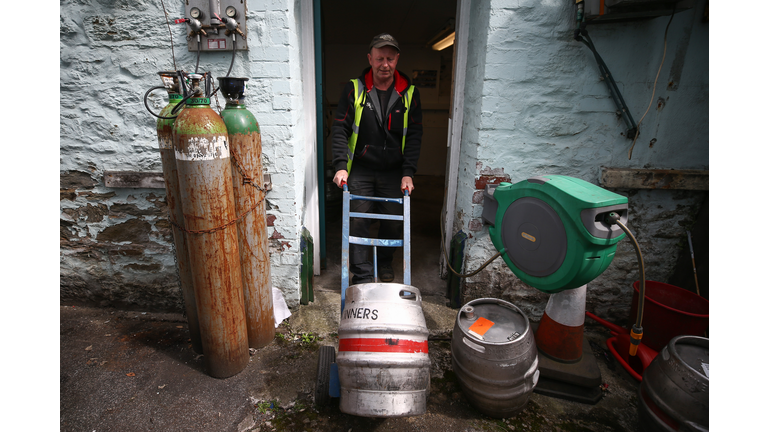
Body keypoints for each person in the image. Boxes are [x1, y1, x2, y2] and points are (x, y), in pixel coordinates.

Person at [331, 33, 423, 284]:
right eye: (380, 58)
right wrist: (341, 166)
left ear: (397, 60)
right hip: (360, 168)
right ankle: (361, 275)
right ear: (370, 58)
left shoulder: (410, 93)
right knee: (358, 222)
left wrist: (408, 172)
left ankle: (383, 262)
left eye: (390, 59)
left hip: (394, 171)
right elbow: (340, 128)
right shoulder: (355, 89)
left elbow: (414, 135)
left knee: (393, 224)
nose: (385, 64)